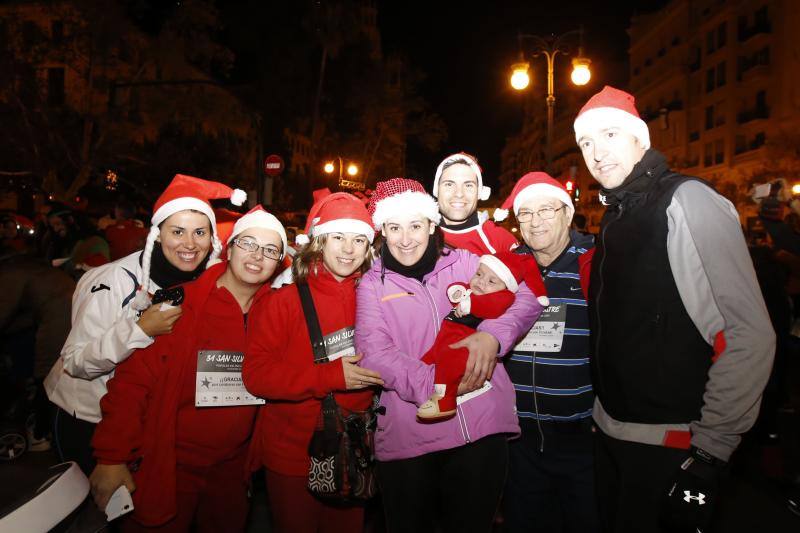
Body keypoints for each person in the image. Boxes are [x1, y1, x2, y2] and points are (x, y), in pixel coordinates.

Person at [573, 85, 775, 532]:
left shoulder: (687, 201)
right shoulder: (617, 213)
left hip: (672, 445)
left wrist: (709, 451)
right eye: (585, 142)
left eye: (608, 135)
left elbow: (747, 334)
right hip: (613, 436)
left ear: (640, 139)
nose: (596, 152)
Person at [355, 178, 543, 533]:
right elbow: (375, 355)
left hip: (480, 428)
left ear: (431, 224)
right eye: (394, 227)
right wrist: (440, 381)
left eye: (415, 225)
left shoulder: (464, 262)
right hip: (411, 433)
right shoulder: (372, 284)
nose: (406, 238)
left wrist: (492, 338)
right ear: (383, 231)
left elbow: (527, 296)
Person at [88, 206, 284, 531]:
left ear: (279, 262)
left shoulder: (276, 312)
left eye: (270, 250)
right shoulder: (177, 302)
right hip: (169, 462)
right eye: (248, 243)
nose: (257, 256)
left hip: (233, 469)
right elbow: (132, 383)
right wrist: (111, 456)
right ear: (230, 248)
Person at [44, 174, 246, 474]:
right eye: (178, 231)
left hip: (144, 421)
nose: (190, 244)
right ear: (158, 234)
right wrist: (139, 330)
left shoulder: (203, 281)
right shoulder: (112, 280)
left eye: (200, 232)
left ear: (212, 238)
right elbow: (75, 362)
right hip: (86, 417)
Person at [242, 191, 381, 533]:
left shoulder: (376, 298)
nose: (348, 249)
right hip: (294, 455)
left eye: (359, 240)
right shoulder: (284, 301)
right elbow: (256, 377)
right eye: (338, 237)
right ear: (319, 241)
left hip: (356, 449)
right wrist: (330, 376)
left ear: (369, 249)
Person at [494, 172, 598, 532]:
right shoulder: (507, 268)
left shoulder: (595, 263)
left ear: (568, 214)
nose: (535, 221)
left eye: (546, 210)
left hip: (582, 437)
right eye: (525, 213)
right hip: (519, 437)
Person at [417, 251, 547, 421]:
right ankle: (428, 392)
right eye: (479, 274)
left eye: (491, 281)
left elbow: (492, 306)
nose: (481, 281)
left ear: (506, 287)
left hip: (463, 342)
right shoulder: (474, 289)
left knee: (448, 370)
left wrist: (470, 304)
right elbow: (457, 288)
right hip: (445, 339)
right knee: (426, 363)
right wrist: (456, 291)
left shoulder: (503, 297)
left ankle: (445, 402)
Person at [433, 152, 517, 255]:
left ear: (480, 192)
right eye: (449, 184)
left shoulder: (501, 242)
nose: (459, 194)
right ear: (436, 190)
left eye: (468, 185)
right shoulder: (416, 236)